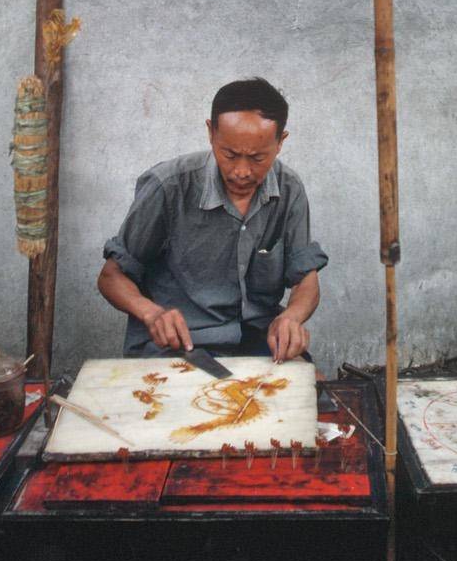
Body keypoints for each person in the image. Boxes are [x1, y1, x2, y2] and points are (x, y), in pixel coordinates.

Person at [98, 77, 327, 361]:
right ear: (211, 132)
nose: (241, 171)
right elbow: (111, 276)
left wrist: (292, 317)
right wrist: (151, 313)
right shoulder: (168, 186)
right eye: (229, 154)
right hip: (180, 345)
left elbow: (306, 278)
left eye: (257, 158)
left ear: (280, 142)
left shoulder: (289, 189)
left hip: (258, 340)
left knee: (310, 384)